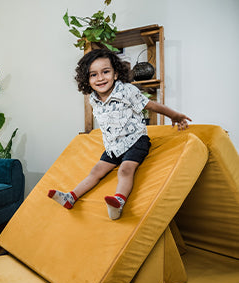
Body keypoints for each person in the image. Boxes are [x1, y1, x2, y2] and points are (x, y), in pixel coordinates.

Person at [48, 49, 191, 220]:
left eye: (105, 72)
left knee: (124, 170)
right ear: (87, 79)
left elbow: (151, 105)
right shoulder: (93, 98)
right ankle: (71, 197)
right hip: (113, 146)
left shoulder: (127, 91)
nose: (100, 78)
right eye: (93, 74)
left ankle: (118, 201)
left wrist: (175, 116)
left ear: (115, 74)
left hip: (135, 140)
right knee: (95, 171)